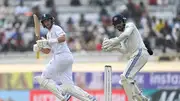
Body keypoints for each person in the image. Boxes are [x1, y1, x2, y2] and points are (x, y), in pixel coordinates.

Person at [33, 14, 96, 101]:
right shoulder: (48, 34)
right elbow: (47, 51)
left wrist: (48, 41)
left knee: (43, 77)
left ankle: (61, 93)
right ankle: (89, 98)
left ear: (51, 20)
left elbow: (63, 38)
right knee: (69, 86)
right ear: (43, 24)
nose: (47, 23)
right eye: (45, 21)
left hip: (61, 57)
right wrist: (39, 48)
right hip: (66, 58)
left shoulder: (56, 28)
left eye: (48, 20)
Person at [102, 14, 153, 101]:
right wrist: (114, 47)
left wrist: (113, 41)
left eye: (120, 24)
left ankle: (133, 99)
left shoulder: (130, 25)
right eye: (117, 26)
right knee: (124, 79)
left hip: (140, 53)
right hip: (136, 55)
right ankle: (142, 98)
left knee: (125, 77)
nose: (119, 27)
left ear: (124, 21)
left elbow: (126, 34)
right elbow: (125, 50)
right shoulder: (122, 36)